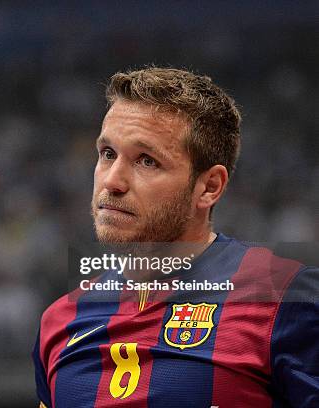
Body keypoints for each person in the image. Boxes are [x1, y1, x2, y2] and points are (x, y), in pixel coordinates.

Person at [32, 67, 318, 407]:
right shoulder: (59, 322)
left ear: (209, 187)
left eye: (147, 161)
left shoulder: (289, 299)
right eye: (108, 153)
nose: (112, 181)